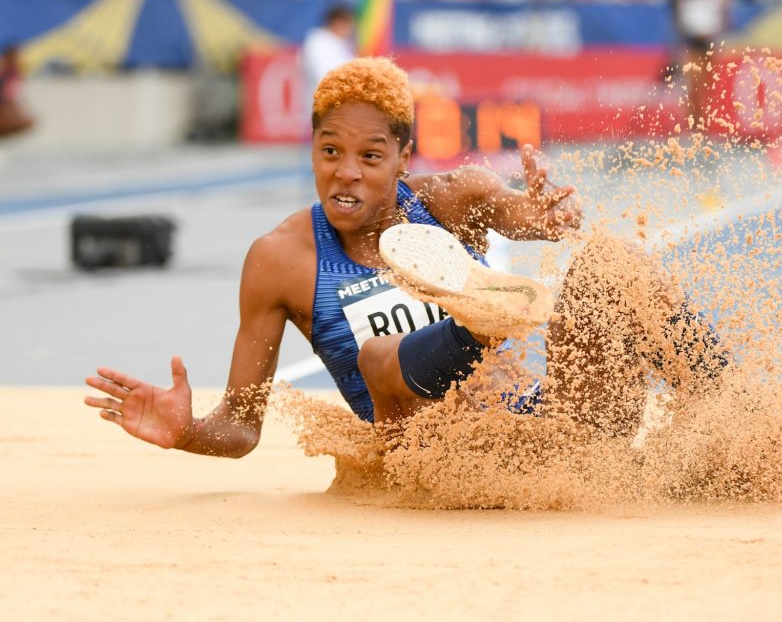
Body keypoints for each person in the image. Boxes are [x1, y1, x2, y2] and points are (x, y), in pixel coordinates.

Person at [84, 57, 726, 456]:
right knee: (376, 358)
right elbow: (240, 425)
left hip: (546, 437)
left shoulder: (454, 199)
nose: (346, 173)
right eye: (329, 152)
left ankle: (736, 422)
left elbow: (533, 219)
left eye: (369, 157)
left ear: (402, 160)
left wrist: (551, 218)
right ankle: (477, 325)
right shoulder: (280, 260)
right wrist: (188, 432)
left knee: (611, 261)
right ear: (312, 150)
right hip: (432, 460)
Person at [299, 4, 355, 119]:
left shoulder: (343, 45)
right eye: (349, 23)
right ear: (338, 22)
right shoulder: (318, 42)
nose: (351, 29)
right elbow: (324, 76)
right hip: (324, 112)